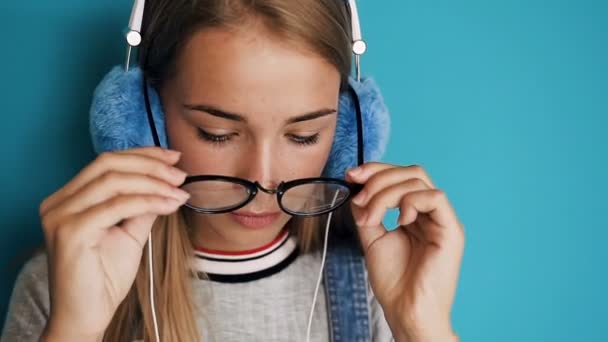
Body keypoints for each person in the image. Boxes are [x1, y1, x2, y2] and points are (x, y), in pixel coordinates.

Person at [1, 0, 465, 341]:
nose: (265, 180)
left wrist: (423, 327)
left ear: (346, 132)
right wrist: (75, 329)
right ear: (145, 124)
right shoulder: (58, 283)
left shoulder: (375, 289)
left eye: (303, 136)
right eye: (217, 133)